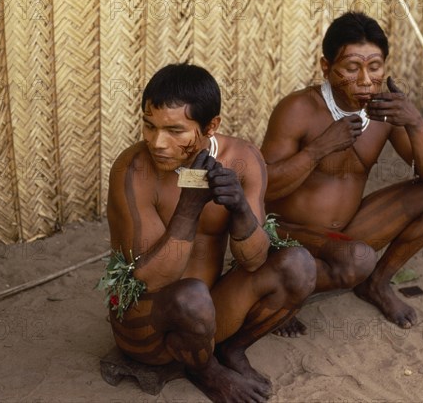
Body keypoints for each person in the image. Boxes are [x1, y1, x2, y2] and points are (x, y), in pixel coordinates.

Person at [105, 63, 316, 402]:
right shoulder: (133, 170)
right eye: (149, 126)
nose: (158, 142)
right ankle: (207, 372)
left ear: (211, 126)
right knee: (189, 295)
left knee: (298, 265)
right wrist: (189, 207)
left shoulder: (244, 158)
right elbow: (149, 280)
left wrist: (240, 211)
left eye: (175, 131)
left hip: (209, 310)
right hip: (147, 328)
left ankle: (230, 350)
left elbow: (254, 260)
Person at [260, 12, 423, 336]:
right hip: (289, 233)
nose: (365, 79)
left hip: (344, 231)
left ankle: (376, 284)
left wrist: (415, 122)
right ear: (327, 67)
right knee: (355, 259)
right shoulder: (298, 109)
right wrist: (318, 150)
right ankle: (280, 288)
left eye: (375, 66)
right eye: (352, 68)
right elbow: (263, 188)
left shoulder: (386, 111)